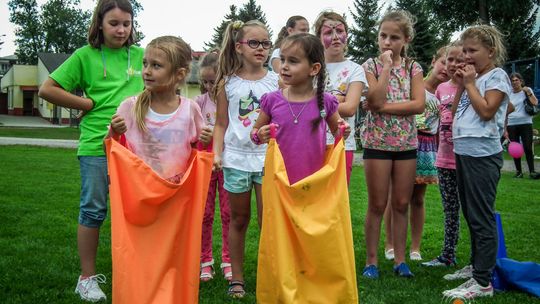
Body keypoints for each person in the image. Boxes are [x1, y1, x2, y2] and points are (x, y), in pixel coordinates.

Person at [37, 0, 143, 301]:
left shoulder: (141, 55)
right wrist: (86, 103)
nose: (121, 29)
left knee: (137, 211)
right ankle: (86, 278)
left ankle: (136, 268)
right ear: (99, 24)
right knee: (93, 209)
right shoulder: (85, 56)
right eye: (114, 23)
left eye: (126, 23)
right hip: (97, 145)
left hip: (136, 149)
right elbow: (48, 89)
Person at [442, 25, 511, 300]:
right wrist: (462, 84)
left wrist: (470, 83)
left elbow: (485, 111)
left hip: (483, 154)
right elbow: (457, 108)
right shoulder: (475, 77)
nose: (466, 57)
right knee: (470, 214)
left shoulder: (497, 76)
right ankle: (476, 265)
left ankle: (482, 281)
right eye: (464, 51)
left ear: (490, 51)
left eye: (472, 51)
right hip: (465, 150)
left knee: (482, 217)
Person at [212, 20, 280, 298]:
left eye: (266, 43)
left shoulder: (277, 80)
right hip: (236, 161)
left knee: (270, 221)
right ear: (239, 47)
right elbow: (220, 124)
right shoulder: (226, 83)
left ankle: (272, 274)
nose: (261, 48)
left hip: (268, 160)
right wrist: (216, 153)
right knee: (238, 220)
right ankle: (236, 278)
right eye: (254, 43)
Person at [360, 9, 425, 279]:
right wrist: (386, 66)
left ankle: (400, 260)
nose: (387, 42)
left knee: (401, 202)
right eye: (383, 36)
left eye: (394, 37)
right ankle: (371, 261)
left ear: (406, 39)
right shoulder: (370, 66)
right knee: (377, 204)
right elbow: (374, 100)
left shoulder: (414, 67)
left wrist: (384, 107)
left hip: (406, 144)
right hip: (377, 142)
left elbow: (418, 104)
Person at [252, 33, 349, 183]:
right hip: (279, 181)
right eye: (283, 59)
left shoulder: (326, 101)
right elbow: (254, 133)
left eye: (293, 61)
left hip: (314, 182)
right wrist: (259, 135)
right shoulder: (271, 100)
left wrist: (343, 130)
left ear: (314, 68)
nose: (284, 66)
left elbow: (337, 134)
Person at [384, 46, 449, 262]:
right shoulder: (416, 83)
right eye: (443, 62)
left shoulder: (446, 93)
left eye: (452, 64)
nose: (446, 68)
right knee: (397, 196)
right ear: (433, 61)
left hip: (429, 146)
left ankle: (415, 247)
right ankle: (390, 244)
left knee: (418, 198)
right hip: (407, 141)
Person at [108, 35, 203, 180]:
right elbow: (109, 151)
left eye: (156, 65)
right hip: (139, 193)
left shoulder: (190, 110)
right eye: (145, 63)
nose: (146, 71)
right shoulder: (130, 107)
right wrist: (114, 132)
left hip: (176, 195)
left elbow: (200, 153)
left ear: (179, 74)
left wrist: (207, 140)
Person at [422, 42, 465, 267]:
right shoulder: (441, 89)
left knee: (474, 211)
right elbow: (435, 122)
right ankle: (448, 255)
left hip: (467, 159)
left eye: (460, 59)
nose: (454, 64)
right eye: (450, 59)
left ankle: (480, 259)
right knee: (450, 211)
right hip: (444, 159)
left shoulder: (471, 85)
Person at [313, 11, 366, 186]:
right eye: (328, 33)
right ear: (319, 38)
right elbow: (300, 103)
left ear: (347, 35)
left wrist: (317, 101)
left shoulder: (355, 69)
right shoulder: (312, 67)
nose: (335, 37)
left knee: (337, 202)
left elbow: (351, 108)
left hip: (342, 144)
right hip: (311, 142)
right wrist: (338, 99)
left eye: (340, 31)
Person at [194, 50, 232, 282]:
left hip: (228, 163)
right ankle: (205, 262)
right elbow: (192, 133)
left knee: (228, 214)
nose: (209, 86)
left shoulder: (231, 99)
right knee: (204, 214)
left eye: (214, 81)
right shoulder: (198, 103)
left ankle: (228, 260)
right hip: (205, 163)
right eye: (205, 81)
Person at [507, 72, 540, 179]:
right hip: (511, 124)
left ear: (521, 81)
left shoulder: (527, 90)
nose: (514, 82)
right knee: (515, 148)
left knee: (528, 147)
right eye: (512, 80)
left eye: (516, 80)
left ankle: (532, 171)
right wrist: (504, 128)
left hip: (526, 123)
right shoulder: (508, 93)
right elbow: (505, 111)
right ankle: (518, 172)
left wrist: (528, 93)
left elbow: (535, 103)